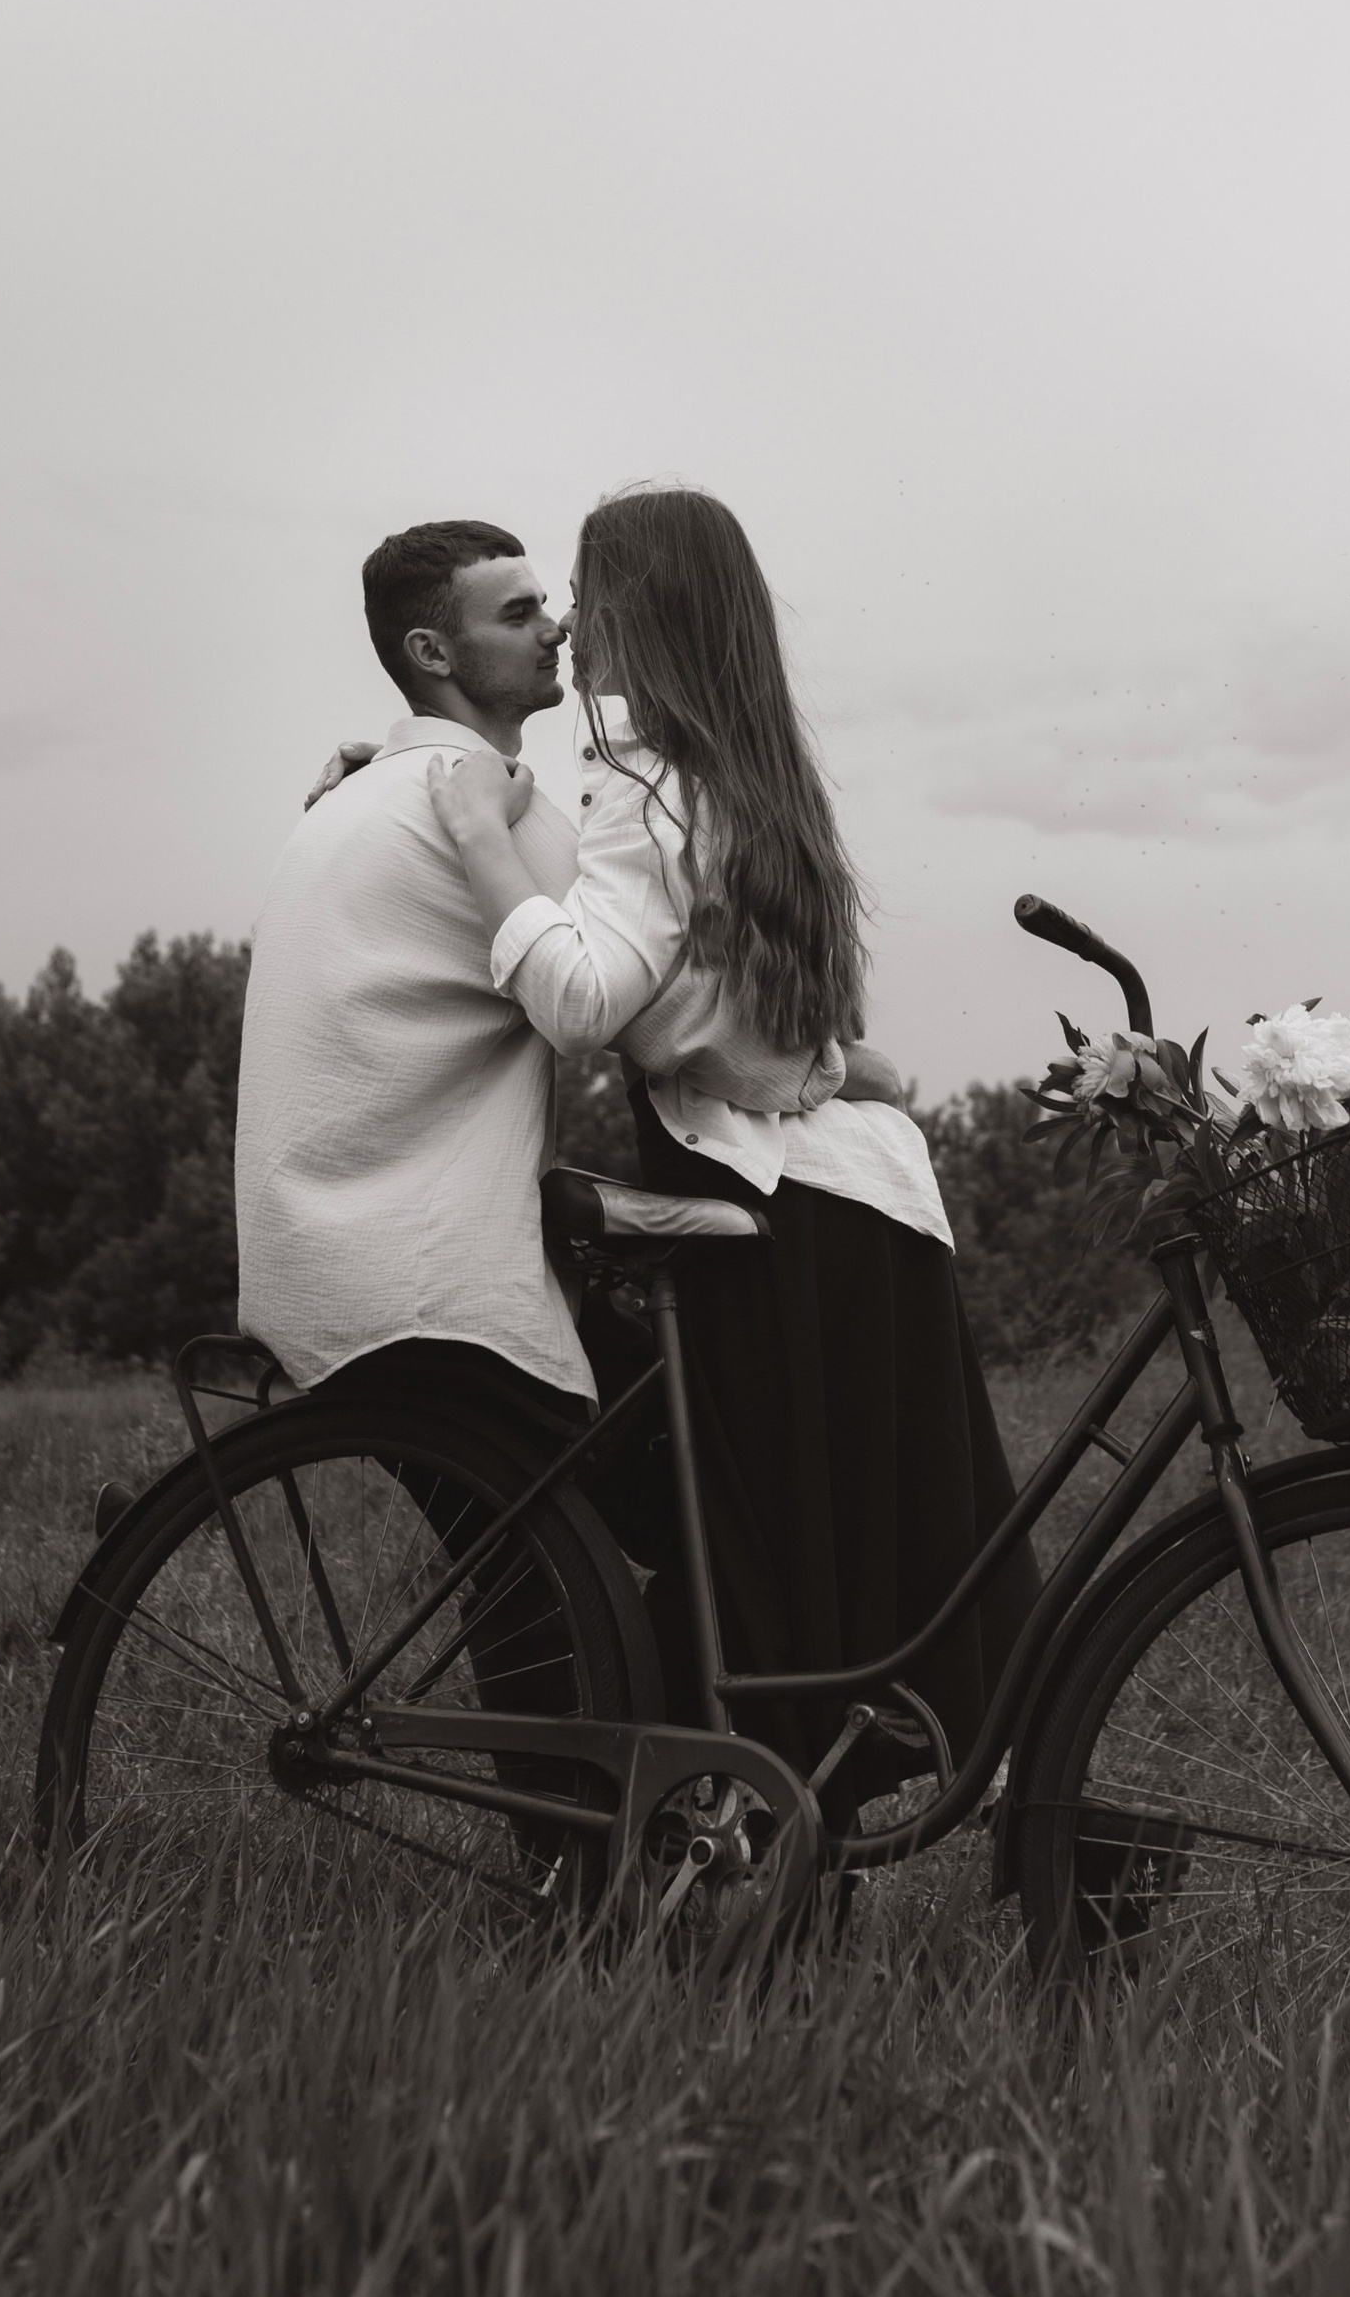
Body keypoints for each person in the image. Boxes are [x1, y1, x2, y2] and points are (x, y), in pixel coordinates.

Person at [427, 483, 1037, 1812]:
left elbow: (584, 1001)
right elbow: (778, 1029)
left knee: (756, 1564)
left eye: (591, 590)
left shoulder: (642, 779)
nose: (573, 621)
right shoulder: (755, 779)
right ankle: (812, 1831)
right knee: (873, 1560)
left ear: (643, 610)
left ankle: (698, 1838)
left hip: (756, 1203)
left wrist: (468, 837)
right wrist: (830, 1066)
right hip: (864, 1203)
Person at [232, 517, 599, 1427]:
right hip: (436, 1297)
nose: (555, 628)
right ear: (431, 652)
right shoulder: (491, 812)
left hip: (317, 1285)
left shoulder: (351, 798)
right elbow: (660, 1013)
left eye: (545, 605)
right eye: (517, 615)